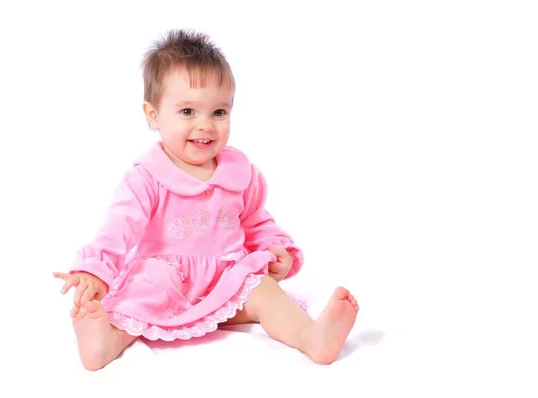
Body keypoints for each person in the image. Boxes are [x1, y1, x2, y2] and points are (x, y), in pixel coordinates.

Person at [53, 28, 359, 371]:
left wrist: (278, 252)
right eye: (187, 112)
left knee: (265, 292)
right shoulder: (147, 176)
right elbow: (118, 228)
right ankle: (102, 340)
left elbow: (257, 221)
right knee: (136, 299)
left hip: (227, 276)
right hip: (166, 277)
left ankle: (312, 337)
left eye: (218, 112)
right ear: (153, 114)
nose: (206, 125)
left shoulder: (239, 173)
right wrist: (95, 271)